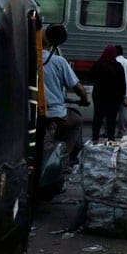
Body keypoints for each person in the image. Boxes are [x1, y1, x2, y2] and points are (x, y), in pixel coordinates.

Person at [40, 25, 89, 168]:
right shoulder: (59, 61)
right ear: (53, 44)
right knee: (77, 120)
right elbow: (78, 88)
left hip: (34, 113)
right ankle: (63, 159)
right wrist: (85, 100)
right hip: (54, 113)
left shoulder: (28, 57)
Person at [89, 45, 127, 143]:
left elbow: (91, 76)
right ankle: (111, 138)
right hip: (114, 98)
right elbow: (123, 84)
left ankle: (95, 138)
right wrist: (122, 96)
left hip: (99, 96)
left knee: (98, 117)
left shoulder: (99, 64)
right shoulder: (118, 66)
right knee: (112, 119)